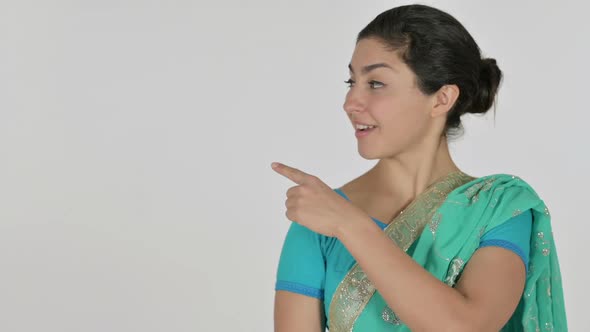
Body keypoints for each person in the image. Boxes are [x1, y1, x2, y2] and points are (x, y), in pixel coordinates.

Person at [271, 4, 567, 332]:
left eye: (376, 83)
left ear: (441, 99)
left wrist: (350, 225)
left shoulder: (498, 210)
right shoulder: (318, 222)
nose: (350, 102)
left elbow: (468, 326)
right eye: (351, 81)